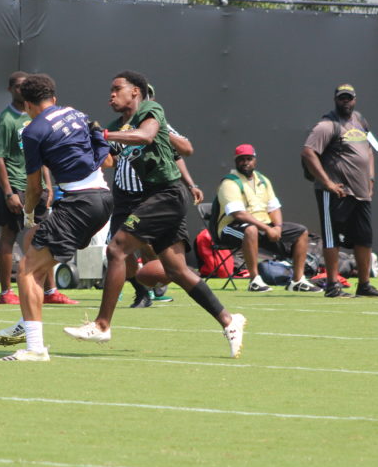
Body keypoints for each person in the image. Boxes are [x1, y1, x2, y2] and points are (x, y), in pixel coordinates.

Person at [64, 70, 245, 358]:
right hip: (153, 198)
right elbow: (107, 159)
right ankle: (229, 320)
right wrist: (81, 143)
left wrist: (104, 135)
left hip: (167, 195)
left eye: (117, 88)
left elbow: (146, 137)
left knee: (116, 249)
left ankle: (102, 325)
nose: (111, 94)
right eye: (110, 90)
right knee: (177, 270)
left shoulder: (150, 109)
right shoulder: (116, 126)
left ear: (135, 91)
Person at [0, 73, 113, 361]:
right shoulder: (78, 115)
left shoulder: (32, 131)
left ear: (27, 105)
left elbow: (34, 187)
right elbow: (107, 160)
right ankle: (26, 321)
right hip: (104, 200)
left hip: (79, 203)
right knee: (38, 255)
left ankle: (35, 347)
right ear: (53, 98)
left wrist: (29, 214)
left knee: (27, 270)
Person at [0, 71, 77, 306]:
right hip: (16, 186)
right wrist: (8, 193)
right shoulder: (7, 119)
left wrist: (49, 186)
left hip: (37, 187)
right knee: (9, 235)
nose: (22, 89)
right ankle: (6, 292)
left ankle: (50, 291)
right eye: (19, 86)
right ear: (10, 90)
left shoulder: (38, 117)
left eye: (26, 86)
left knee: (44, 236)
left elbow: (42, 156)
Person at [114, 82, 200, 308]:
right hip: (123, 193)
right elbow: (109, 156)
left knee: (148, 245)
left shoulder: (158, 122)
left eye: (148, 97)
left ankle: (157, 282)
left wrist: (158, 131)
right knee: (119, 247)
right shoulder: (120, 125)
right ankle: (141, 290)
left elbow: (183, 151)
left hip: (147, 193)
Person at [301, 83, 378, 299]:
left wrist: (371, 178)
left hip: (361, 192)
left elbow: (369, 149)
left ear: (355, 100)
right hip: (336, 192)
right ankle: (332, 285)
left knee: (364, 238)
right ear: (335, 100)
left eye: (349, 98)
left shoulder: (360, 120)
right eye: (342, 98)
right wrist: (328, 183)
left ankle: (364, 285)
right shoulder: (327, 125)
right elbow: (308, 152)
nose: (346, 101)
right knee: (332, 238)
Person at [216, 144, 321, 293]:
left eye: (249, 159)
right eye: (241, 159)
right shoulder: (229, 183)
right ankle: (255, 281)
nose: (245, 162)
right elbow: (238, 214)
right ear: (235, 161)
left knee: (301, 231)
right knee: (251, 230)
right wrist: (267, 229)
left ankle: (297, 281)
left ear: (255, 160)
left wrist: (277, 227)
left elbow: (274, 208)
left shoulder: (263, 180)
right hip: (231, 229)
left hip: (262, 227)